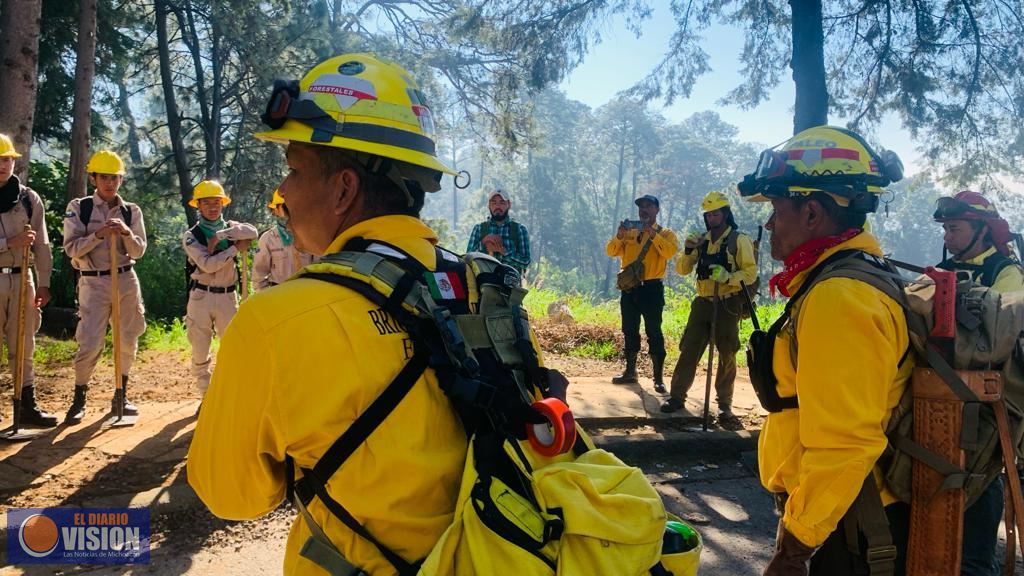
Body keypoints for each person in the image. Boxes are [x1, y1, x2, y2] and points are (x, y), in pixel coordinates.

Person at [187, 53, 472, 575]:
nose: (283, 192)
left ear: (344, 188)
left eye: (293, 169)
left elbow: (231, 496)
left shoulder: (273, 323)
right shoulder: (485, 287)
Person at [737, 125, 912, 575]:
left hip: (850, 530)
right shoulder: (848, 277)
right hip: (837, 517)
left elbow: (845, 444)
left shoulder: (839, 298)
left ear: (812, 213)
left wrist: (793, 552)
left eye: (777, 208)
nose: (770, 222)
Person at [933, 190, 1024, 576]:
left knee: (981, 494)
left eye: (955, 228)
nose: (947, 237)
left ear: (983, 230)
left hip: (991, 411)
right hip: (944, 403)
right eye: (945, 229)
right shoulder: (944, 268)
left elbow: (1001, 340)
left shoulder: (1007, 274)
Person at [63, 150, 147, 425]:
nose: (110, 183)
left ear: (121, 179)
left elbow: (139, 250)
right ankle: (79, 396)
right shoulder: (80, 208)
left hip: (125, 279)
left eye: (115, 177)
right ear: (93, 178)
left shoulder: (131, 210)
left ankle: (120, 394)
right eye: (104, 177)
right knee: (89, 341)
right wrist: (98, 235)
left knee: (127, 338)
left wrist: (125, 232)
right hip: (93, 280)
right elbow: (71, 247)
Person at [660, 191, 758, 420]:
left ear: (725, 214)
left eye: (716, 213)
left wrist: (728, 277)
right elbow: (682, 270)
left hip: (727, 303)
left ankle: (724, 404)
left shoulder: (739, 240)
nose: (711, 218)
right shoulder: (701, 240)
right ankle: (676, 396)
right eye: (708, 214)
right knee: (689, 349)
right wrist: (687, 249)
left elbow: (751, 273)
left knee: (727, 352)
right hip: (702, 303)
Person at [0, 133, 56, 427]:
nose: (2, 165)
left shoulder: (28, 198)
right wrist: (10, 242)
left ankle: (25, 406)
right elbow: (19, 241)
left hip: (24, 280)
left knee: (24, 344)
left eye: (7, 159)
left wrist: (44, 281)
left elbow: (42, 244)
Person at [182, 180, 257, 395]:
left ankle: (230, 394)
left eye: (217, 202)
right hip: (201, 297)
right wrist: (234, 249)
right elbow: (207, 265)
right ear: (198, 205)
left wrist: (221, 236)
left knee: (233, 348)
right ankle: (206, 397)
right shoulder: (192, 236)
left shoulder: (231, 227)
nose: (213, 207)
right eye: (207, 203)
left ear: (223, 204)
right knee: (200, 351)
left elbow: (252, 232)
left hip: (227, 296)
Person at [606, 194, 679, 392]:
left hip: (652, 289)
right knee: (629, 329)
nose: (644, 210)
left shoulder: (666, 234)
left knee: (654, 331)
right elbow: (611, 251)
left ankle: (658, 378)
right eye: (641, 207)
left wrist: (652, 235)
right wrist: (620, 235)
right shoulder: (630, 232)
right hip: (630, 289)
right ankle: (630, 371)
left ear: (657, 210)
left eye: (648, 206)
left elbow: (670, 252)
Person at [252, 189, 316, 291]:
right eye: (285, 206)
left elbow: (320, 267)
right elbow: (259, 277)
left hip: (306, 294)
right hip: (279, 295)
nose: (290, 210)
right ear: (275, 210)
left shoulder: (310, 235)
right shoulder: (268, 239)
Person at [466, 189, 531, 274]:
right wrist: (484, 243)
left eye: (502, 203)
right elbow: (468, 259)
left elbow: (525, 262)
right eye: (494, 203)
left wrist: (503, 251)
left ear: (509, 205)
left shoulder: (520, 230)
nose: (498, 206)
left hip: (510, 285)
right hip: (483, 282)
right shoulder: (478, 229)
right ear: (489, 205)